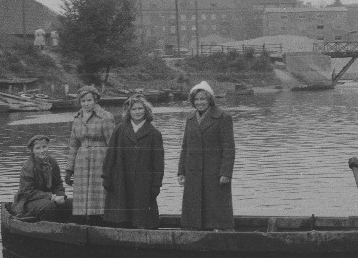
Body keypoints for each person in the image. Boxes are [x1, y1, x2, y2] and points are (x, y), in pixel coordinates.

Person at [177, 81, 235, 230]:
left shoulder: (223, 117)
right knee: (194, 208)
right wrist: (181, 171)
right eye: (196, 99)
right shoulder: (190, 119)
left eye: (203, 99)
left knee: (215, 208)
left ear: (210, 100)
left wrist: (226, 172)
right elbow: (185, 146)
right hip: (193, 172)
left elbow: (229, 148)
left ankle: (218, 232)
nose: (199, 102)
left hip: (214, 173)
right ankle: (194, 232)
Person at [101, 95, 164, 228]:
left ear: (146, 110)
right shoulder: (120, 129)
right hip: (121, 180)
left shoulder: (154, 133)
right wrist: (106, 177)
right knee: (121, 218)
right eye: (134, 109)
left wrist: (156, 185)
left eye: (140, 108)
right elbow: (110, 155)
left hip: (143, 183)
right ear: (129, 111)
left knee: (142, 220)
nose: (137, 111)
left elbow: (158, 164)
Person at [64, 86, 116, 224]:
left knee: (99, 193)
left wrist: (112, 168)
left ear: (96, 100)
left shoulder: (106, 117)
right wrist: (69, 169)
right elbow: (74, 145)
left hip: (100, 159)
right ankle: (81, 222)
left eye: (89, 100)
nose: (86, 104)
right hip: (81, 160)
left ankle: (99, 220)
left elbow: (112, 145)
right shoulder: (77, 118)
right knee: (81, 195)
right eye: (83, 101)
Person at [12, 135, 72, 222]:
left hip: (49, 198)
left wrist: (60, 195)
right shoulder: (28, 166)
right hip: (28, 201)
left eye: (44, 147)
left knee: (71, 204)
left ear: (48, 146)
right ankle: (48, 230)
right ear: (32, 150)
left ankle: (65, 227)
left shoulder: (52, 162)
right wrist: (51, 197)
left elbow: (58, 183)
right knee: (48, 206)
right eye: (38, 148)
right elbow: (28, 192)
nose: (42, 151)